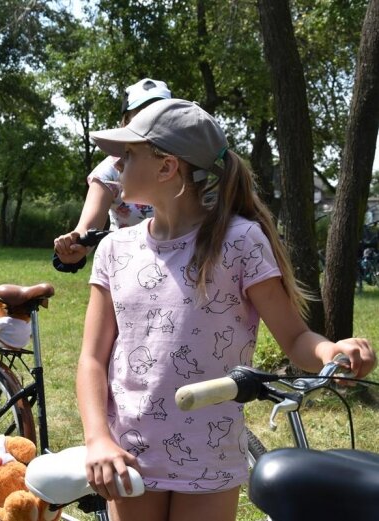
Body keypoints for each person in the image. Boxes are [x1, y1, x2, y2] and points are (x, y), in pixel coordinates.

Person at [76, 98, 376, 521]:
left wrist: (329, 352)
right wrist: (97, 439)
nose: (116, 164)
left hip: (209, 455)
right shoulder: (114, 249)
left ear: (167, 168)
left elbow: (295, 339)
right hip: (129, 453)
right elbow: (92, 358)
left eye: (128, 154)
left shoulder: (239, 242)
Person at [53, 78, 171, 268]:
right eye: (143, 115)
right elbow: (88, 227)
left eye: (160, 114)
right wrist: (75, 246)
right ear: (126, 122)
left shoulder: (184, 165)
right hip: (127, 268)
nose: (152, 123)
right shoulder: (110, 171)